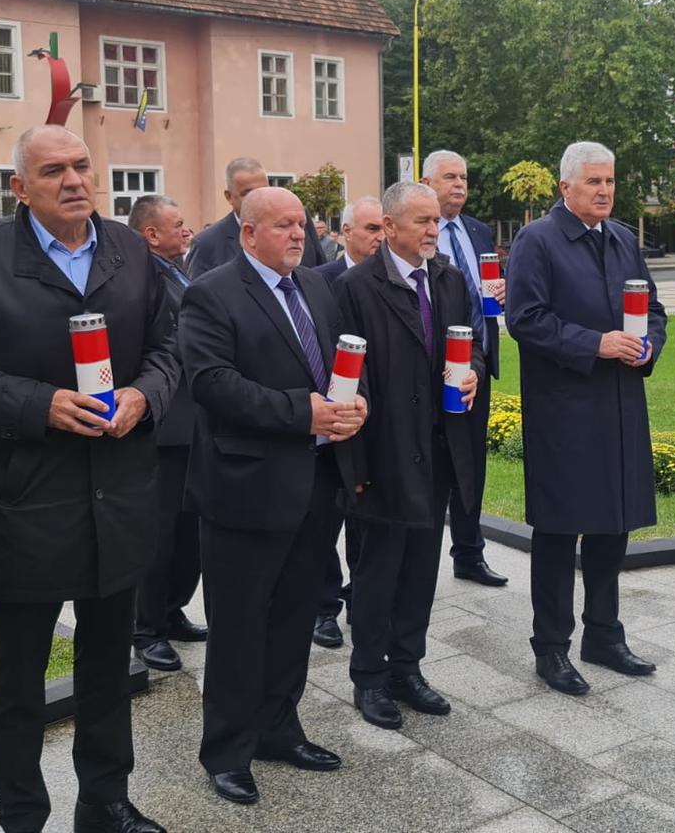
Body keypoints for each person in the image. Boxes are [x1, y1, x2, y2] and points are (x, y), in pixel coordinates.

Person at [0, 125, 177, 833]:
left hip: (118, 494)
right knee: (18, 680)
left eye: (81, 166)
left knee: (108, 666)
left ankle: (105, 803)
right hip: (26, 499)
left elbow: (169, 346)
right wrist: (41, 405)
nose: (72, 180)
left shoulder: (130, 250)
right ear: (19, 188)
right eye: (53, 170)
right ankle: (22, 816)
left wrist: (143, 397)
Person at [180, 187, 365, 807]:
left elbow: (337, 365)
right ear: (248, 232)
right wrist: (301, 412)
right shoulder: (211, 293)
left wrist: (353, 404)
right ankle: (228, 751)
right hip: (245, 489)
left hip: (314, 483)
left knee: (292, 619)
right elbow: (212, 384)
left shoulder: (315, 286)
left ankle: (279, 729)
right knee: (239, 627)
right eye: (283, 225)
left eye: (301, 224)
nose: (297, 234)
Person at [505, 141, 665, 696]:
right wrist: (595, 343)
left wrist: (649, 345)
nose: (604, 191)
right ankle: (551, 646)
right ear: (565, 186)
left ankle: (603, 633)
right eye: (593, 181)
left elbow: (655, 311)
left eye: (610, 181)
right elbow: (525, 318)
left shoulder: (622, 239)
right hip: (565, 409)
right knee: (559, 530)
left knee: (612, 525)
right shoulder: (537, 240)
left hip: (620, 405)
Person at [334, 182, 481, 729]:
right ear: (390, 226)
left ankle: (407, 667)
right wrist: (357, 461)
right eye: (422, 221)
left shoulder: (448, 279)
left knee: (421, 568)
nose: (432, 230)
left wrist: (472, 374)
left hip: (439, 447)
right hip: (384, 450)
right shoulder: (355, 287)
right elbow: (347, 376)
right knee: (378, 571)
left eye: (435, 221)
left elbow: (472, 347)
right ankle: (369, 677)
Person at [127, 194, 207, 672]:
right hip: (164, 425)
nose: (187, 230)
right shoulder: (140, 281)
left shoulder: (179, 270)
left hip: (193, 421)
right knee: (158, 532)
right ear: (151, 234)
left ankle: (173, 609)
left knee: (187, 531)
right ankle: (146, 628)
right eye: (177, 224)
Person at [423, 149, 508, 587]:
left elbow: (484, 291)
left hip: (477, 363)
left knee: (472, 462)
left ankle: (469, 553)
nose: (459, 185)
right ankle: (415, 559)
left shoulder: (477, 231)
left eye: (464, 178)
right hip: (428, 369)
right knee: (430, 462)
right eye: (450, 177)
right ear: (427, 183)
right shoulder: (418, 231)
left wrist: (501, 293)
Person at [312, 194, 385, 649]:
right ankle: (324, 607)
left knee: (367, 517)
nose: (379, 238)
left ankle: (361, 595)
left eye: (384, 228)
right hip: (332, 417)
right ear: (345, 234)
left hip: (376, 417)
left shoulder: (391, 279)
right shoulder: (319, 280)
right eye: (371, 229)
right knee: (326, 519)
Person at [187, 158, 323, 276]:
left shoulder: (299, 222)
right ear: (229, 196)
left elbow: (320, 274)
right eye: (247, 193)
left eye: (263, 191)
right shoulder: (207, 243)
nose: (258, 198)